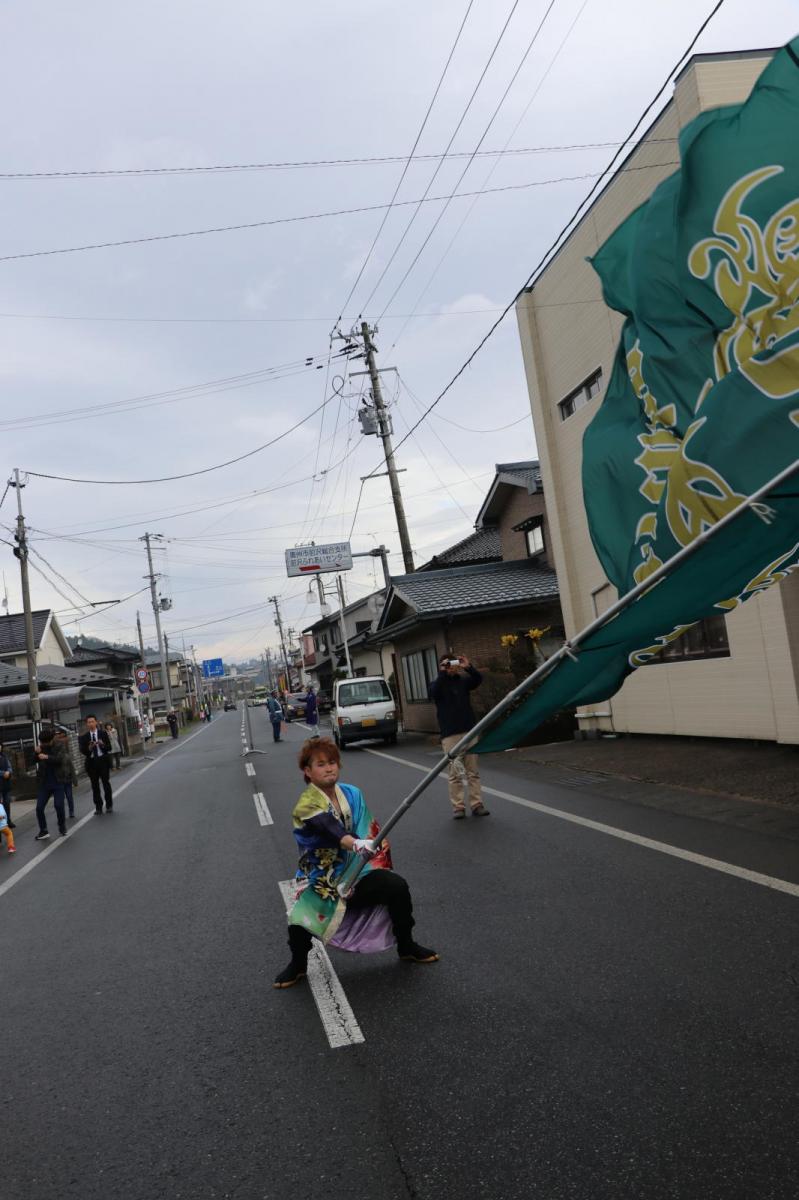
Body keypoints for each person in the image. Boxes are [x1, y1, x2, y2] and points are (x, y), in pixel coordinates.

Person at [273, 737, 438, 989]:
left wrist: (368, 847)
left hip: (358, 869)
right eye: (320, 764)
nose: (329, 768)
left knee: (396, 887)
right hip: (323, 878)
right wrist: (356, 844)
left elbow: (367, 828)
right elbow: (328, 827)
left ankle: (407, 946)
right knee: (299, 921)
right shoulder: (305, 804)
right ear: (307, 771)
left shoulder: (352, 793)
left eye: (332, 762)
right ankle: (298, 964)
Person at [428, 652, 490, 820]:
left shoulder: (462, 681)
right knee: (455, 773)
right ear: (442, 667)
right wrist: (442, 673)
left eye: (453, 664)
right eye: (448, 664)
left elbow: (478, 680)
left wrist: (467, 667)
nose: (452, 667)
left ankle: (477, 804)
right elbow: (433, 693)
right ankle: (458, 807)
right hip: (450, 735)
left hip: (469, 731)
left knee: (473, 772)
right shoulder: (437, 684)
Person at [34, 726, 70, 840]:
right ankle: (43, 830)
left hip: (58, 781)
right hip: (44, 783)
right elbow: (33, 760)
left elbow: (60, 760)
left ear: (51, 740)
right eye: (41, 742)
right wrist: (36, 753)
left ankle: (62, 825)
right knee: (39, 808)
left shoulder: (59, 746)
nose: (43, 744)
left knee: (58, 805)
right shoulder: (41, 747)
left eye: (45, 742)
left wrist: (47, 756)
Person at [78, 715, 113, 814]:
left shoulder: (103, 733)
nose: (91, 724)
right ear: (86, 724)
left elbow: (109, 748)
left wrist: (102, 745)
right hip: (92, 763)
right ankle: (98, 807)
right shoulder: (84, 737)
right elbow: (83, 751)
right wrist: (89, 748)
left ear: (96, 722)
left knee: (106, 783)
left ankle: (109, 805)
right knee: (95, 786)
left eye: (92, 721)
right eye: (89, 722)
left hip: (103, 761)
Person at [54, 729, 78, 819]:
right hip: (59, 780)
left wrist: (75, 781)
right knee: (60, 799)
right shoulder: (54, 757)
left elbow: (71, 768)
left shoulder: (66, 756)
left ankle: (71, 811)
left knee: (69, 796)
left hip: (67, 779)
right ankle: (62, 813)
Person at [0, 742, 14, 829]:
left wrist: (8, 772)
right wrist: (3, 773)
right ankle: (3, 823)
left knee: (7, 803)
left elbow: (10, 767)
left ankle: (8, 821)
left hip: (5, 784)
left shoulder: (4, 757)